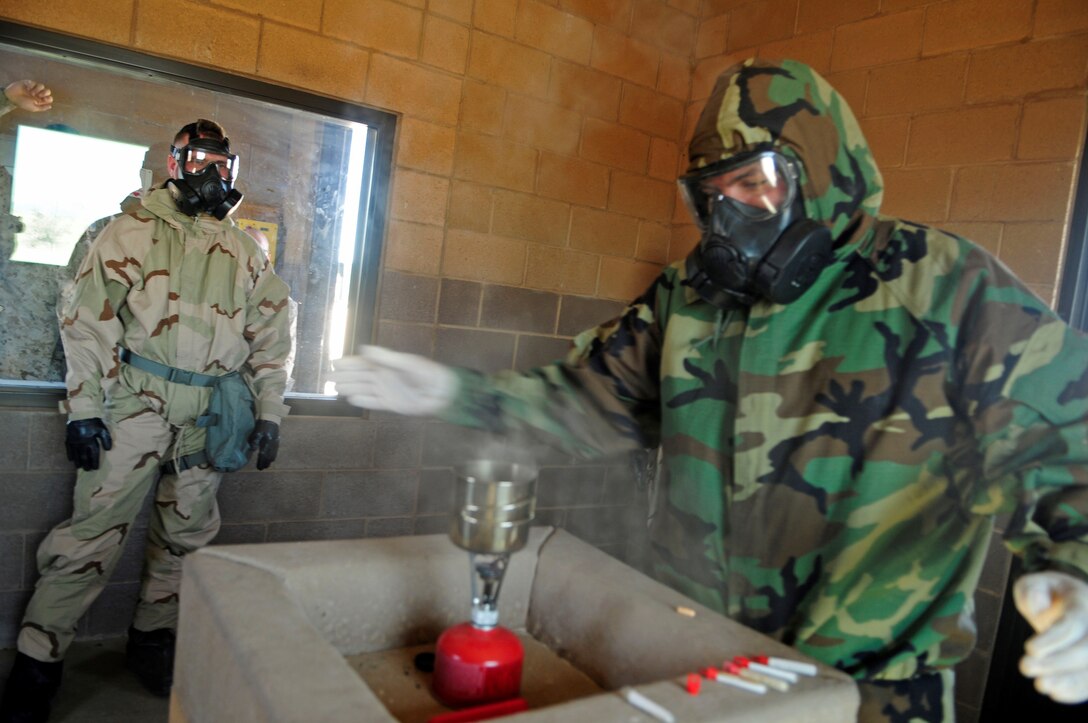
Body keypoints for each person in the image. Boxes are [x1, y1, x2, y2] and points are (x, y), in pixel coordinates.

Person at [329, 58, 1088, 721]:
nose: (728, 219)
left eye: (754, 185)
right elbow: (589, 401)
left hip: (865, 698)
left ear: (820, 175)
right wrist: (450, 392)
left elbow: (1069, 439)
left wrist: (1081, 573)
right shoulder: (690, 297)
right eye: (712, 195)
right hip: (696, 662)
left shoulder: (944, 286)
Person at [0, 118, 295, 722]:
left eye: (221, 161)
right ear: (174, 161)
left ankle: (152, 640)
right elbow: (87, 321)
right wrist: (84, 409)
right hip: (133, 404)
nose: (211, 172)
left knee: (185, 536)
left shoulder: (242, 250)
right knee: (93, 531)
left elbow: (273, 331)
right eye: (199, 158)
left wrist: (269, 410)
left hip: (208, 412)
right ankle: (38, 660)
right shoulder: (128, 230)